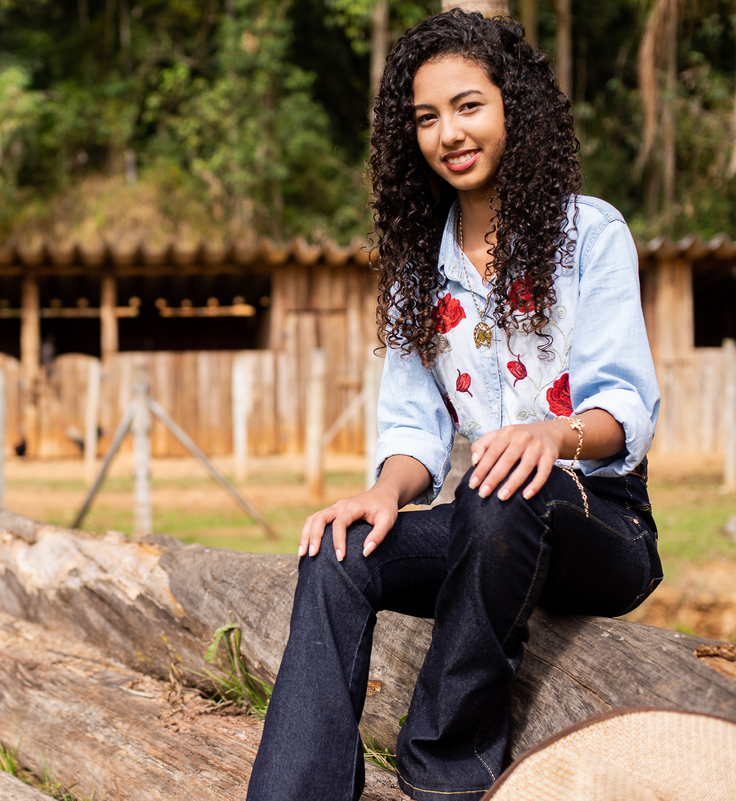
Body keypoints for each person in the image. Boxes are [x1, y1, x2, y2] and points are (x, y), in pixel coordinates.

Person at [245, 10, 662, 801]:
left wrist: (551, 434)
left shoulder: (590, 233)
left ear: (514, 107)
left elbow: (624, 408)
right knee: (338, 550)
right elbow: (414, 428)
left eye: (469, 106)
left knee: (500, 488)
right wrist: (382, 493)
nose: (449, 133)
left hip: (603, 524)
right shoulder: (417, 272)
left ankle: (444, 775)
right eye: (427, 117)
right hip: (485, 526)